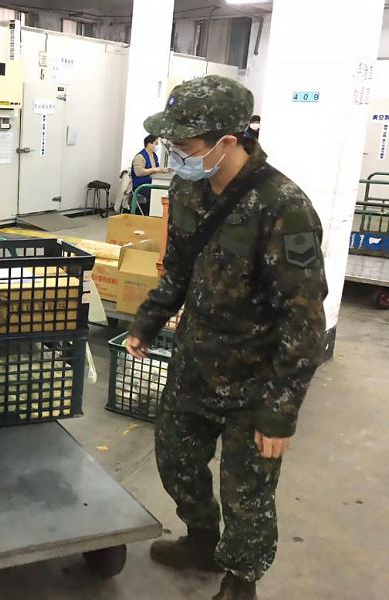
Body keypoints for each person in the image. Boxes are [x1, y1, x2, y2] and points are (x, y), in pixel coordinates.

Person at [124, 76, 327, 600]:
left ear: (227, 142)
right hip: (194, 365)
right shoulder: (188, 190)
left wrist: (281, 411)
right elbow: (178, 270)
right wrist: (147, 322)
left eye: (184, 145)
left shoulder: (284, 207)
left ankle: (240, 580)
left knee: (247, 494)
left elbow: (303, 320)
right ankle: (201, 540)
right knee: (176, 460)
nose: (174, 155)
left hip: (254, 383)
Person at [131, 134, 171, 214]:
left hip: (151, 183)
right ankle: (151, 213)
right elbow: (138, 172)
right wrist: (154, 170)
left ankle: (160, 214)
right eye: (156, 143)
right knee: (154, 193)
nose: (157, 146)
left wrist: (165, 170)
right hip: (141, 185)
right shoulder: (140, 156)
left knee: (163, 192)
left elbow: (157, 169)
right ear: (149, 144)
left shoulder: (154, 156)